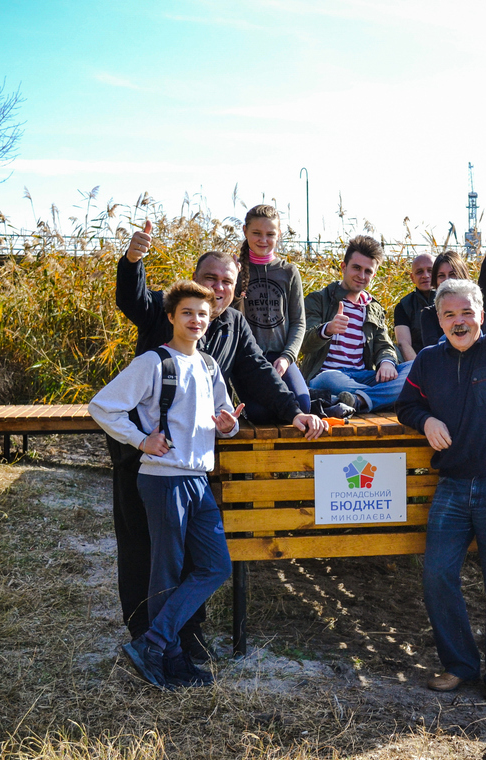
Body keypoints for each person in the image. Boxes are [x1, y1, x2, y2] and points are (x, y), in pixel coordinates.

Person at [111, 221, 325, 661]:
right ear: (194, 282)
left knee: (193, 550)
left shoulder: (233, 327)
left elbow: (261, 378)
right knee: (142, 546)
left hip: (190, 458)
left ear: (236, 289)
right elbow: (133, 298)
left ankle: (187, 630)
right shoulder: (168, 311)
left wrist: (296, 411)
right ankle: (144, 630)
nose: (219, 287)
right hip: (143, 450)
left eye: (227, 281)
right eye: (210, 278)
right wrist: (133, 260)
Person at [396, 207, 486, 707]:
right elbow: (406, 404)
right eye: (448, 314)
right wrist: (426, 421)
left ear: (482, 316)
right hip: (453, 487)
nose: (458, 321)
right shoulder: (430, 360)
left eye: (466, 313)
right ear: (438, 319)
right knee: (437, 575)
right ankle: (458, 664)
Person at [90, 280, 241, 688]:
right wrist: (141, 439)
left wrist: (229, 426)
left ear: (211, 321)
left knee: (215, 565)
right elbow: (102, 406)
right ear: (172, 317)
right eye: (188, 312)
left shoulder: (210, 367)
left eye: (203, 314)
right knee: (167, 571)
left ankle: (154, 642)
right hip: (163, 481)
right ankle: (167, 658)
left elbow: (224, 416)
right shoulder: (154, 362)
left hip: (198, 480)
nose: (196, 320)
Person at [301, 235, 412, 413]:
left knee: (415, 367)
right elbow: (303, 343)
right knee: (330, 379)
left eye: (368, 271)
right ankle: (383, 398)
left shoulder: (373, 308)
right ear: (343, 267)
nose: (361, 276)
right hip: (326, 376)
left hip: (362, 377)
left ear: (374, 274)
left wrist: (387, 362)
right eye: (356, 268)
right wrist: (327, 329)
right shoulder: (318, 299)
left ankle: (357, 400)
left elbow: (384, 345)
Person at [234, 204, 311, 421]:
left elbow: (298, 322)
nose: (263, 240)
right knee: (261, 414)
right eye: (256, 233)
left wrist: (287, 358)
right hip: (248, 359)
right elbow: (230, 317)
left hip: (280, 356)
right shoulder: (235, 269)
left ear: (279, 236)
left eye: (270, 234)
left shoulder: (288, 271)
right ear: (245, 231)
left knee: (303, 406)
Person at [417, 226, 486, 350]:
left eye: (452, 274)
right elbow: (433, 351)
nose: (447, 280)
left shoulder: (477, 303)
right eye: (441, 276)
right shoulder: (429, 314)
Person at [392, 254, 435, 361]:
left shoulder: (451, 300)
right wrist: (418, 370)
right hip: (416, 362)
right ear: (412, 278)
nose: (425, 275)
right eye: (419, 272)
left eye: (430, 270)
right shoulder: (403, 306)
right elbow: (403, 343)